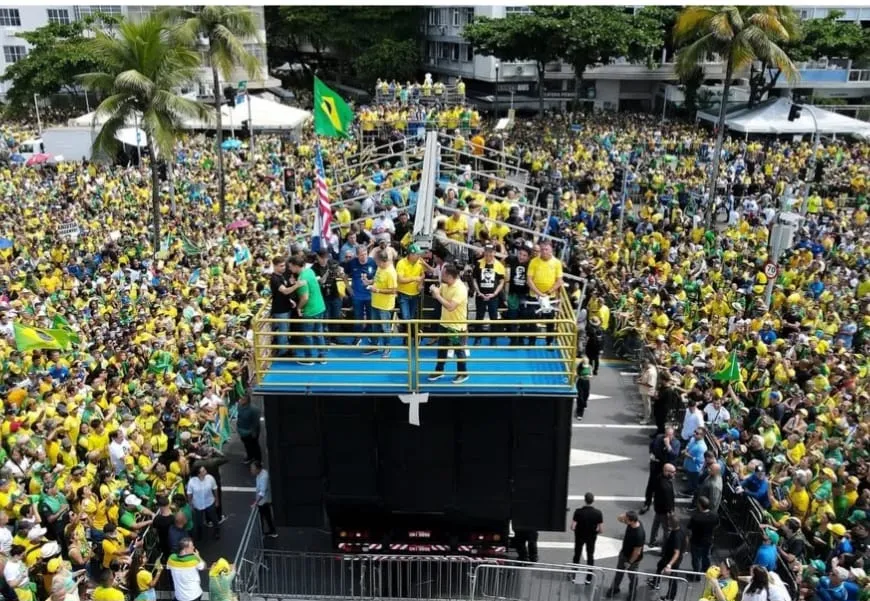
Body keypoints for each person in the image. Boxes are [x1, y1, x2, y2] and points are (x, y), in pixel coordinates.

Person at [427, 264, 469, 384]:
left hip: (456, 326)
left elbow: (450, 306)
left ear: (450, 276)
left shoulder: (460, 289)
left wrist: (437, 295)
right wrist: (434, 290)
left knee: (458, 350)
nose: (441, 276)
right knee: (442, 349)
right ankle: (439, 370)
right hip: (444, 323)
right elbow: (437, 293)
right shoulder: (445, 284)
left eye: (443, 274)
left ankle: (463, 373)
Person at [286, 255, 328, 365]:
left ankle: (309, 358)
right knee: (319, 332)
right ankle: (322, 356)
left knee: (307, 334)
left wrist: (299, 308)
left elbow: (305, 297)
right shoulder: (310, 271)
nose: (289, 269)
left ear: (296, 266)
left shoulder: (302, 279)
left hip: (310, 310)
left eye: (290, 267)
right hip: (320, 306)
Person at [342, 245, 377, 346]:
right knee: (358, 318)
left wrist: (371, 282)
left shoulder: (372, 262)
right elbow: (344, 275)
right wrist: (348, 288)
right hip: (357, 297)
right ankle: (357, 337)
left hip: (370, 296)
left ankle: (371, 336)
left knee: (371, 317)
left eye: (365, 254)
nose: (364, 256)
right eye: (361, 255)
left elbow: (378, 276)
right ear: (357, 255)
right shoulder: (352, 263)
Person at [470, 243, 505, 345]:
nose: (488, 254)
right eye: (486, 251)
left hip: (493, 296)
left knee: (493, 317)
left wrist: (494, 293)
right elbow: (475, 279)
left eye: (490, 252)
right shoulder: (478, 263)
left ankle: (493, 339)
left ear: (494, 252)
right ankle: (477, 338)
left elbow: (501, 282)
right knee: (479, 317)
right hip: (480, 295)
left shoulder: (499, 265)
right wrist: (479, 292)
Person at [606, 511, 645, 600]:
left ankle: (632, 594)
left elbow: (637, 552)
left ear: (631, 521)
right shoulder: (631, 523)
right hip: (624, 554)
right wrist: (624, 515)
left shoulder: (639, 534)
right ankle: (614, 588)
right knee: (619, 573)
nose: (624, 520)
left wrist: (629, 562)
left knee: (633, 577)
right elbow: (619, 518)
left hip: (633, 560)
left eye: (626, 519)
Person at [366, 250, 398, 358]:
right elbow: (376, 280)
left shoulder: (391, 272)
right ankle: (375, 345)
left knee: (385, 328)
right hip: (375, 302)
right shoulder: (380, 267)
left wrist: (377, 291)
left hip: (385, 305)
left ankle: (387, 348)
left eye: (376, 261)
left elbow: (393, 290)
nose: (375, 263)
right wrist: (369, 282)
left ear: (382, 260)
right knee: (374, 326)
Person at [643, 428, 680, 514]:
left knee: (664, 487)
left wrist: (668, 446)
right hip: (656, 465)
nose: (667, 436)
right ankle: (647, 503)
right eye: (666, 434)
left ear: (673, 435)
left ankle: (664, 506)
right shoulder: (659, 437)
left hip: (666, 468)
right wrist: (651, 453)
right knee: (651, 485)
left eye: (669, 435)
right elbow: (651, 445)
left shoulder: (676, 443)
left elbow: (674, 456)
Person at [649, 514, 686, 601]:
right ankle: (656, 582)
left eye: (669, 521)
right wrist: (683, 550)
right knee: (660, 565)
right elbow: (686, 539)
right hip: (669, 557)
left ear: (671, 523)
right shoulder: (682, 529)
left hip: (672, 560)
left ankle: (670, 597)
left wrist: (669, 565)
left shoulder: (676, 536)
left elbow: (676, 553)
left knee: (673, 578)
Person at [571, 492, 603, 584]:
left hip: (579, 536)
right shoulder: (598, 513)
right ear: (593, 501)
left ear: (585, 500)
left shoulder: (578, 512)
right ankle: (589, 577)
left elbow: (573, 527)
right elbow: (601, 530)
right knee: (590, 555)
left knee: (577, 554)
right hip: (591, 537)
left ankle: (573, 575)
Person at [269, 256, 295, 358]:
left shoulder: (281, 275)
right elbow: (285, 291)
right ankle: (283, 352)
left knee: (285, 330)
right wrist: (296, 285)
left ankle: (285, 348)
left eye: (284, 265)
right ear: (274, 266)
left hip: (286, 306)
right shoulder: (274, 279)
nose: (284, 268)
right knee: (283, 331)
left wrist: (290, 300)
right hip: (280, 309)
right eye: (281, 266)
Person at [186, 466, 220, 541]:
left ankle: (217, 530)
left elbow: (215, 489)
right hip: (198, 505)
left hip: (209, 502)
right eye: (203, 471)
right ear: (198, 474)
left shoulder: (210, 478)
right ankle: (199, 533)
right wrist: (190, 504)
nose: (206, 471)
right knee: (198, 521)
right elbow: (189, 494)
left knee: (214, 518)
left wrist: (217, 500)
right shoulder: (192, 481)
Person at [396, 244, 425, 325]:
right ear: (411, 254)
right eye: (417, 254)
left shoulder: (420, 262)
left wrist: (420, 284)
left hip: (415, 294)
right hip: (403, 294)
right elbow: (400, 279)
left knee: (411, 317)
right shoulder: (401, 263)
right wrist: (414, 278)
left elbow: (422, 275)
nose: (419, 256)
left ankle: (407, 336)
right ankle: (406, 333)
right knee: (406, 317)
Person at [648, 463, 676, 548]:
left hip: (658, 508)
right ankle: (665, 548)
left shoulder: (659, 478)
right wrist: (670, 512)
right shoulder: (666, 486)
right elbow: (668, 501)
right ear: (666, 472)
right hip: (665, 511)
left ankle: (652, 541)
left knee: (655, 525)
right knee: (667, 530)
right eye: (673, 472)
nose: (674, 473)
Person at [688, 496, 718, 575]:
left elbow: (690, 528)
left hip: (696, 541)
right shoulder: (714, 515)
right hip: (708, 540)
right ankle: (705, 570)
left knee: (696, 558)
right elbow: (717, 525)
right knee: (706, 556)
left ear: (700, 505)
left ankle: (696, 574)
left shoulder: (696, 517)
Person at [251, 461, 277, 538]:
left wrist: (256, 502)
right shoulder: (261, 474)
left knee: (261, 517)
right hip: (263, 501)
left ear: (258, 469)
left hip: (263, 502)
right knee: (267, 516)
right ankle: (272, 531)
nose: (251, 470)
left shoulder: (263, 477)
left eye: (253, 469)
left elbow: (262, 492)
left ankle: (261, 533)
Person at [236, 395, 262, 465]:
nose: (240, 400)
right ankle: (250, 456)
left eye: (242, 399)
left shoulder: (254, 410)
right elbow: (239, 417)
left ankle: (258, 459)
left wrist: (253, 433)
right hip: (242, 432)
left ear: (246, 401)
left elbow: (255, 423)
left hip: (250, 433)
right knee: (247, 445)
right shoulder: (239, 407)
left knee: (254, 446)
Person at [637, 360, 658, 426]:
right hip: (644, 390)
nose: (643, 367)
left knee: (647, 405)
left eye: (643, 365)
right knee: (645, 404)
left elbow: (650, 384)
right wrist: (640, 378)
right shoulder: (647, 368)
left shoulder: (651, 372)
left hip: (648, 391)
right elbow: (644, 375)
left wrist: (640, 383)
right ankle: (645, 414)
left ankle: (647, 419)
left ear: (646, 364)